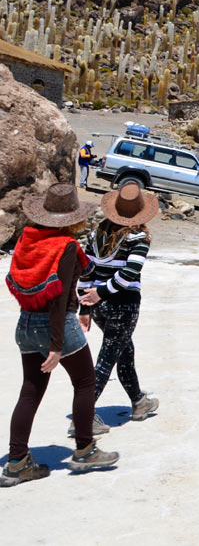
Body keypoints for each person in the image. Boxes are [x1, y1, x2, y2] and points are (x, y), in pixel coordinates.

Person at [2, 184, 119, 487]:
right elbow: (58, 300)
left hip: (25, 323)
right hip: (56, 326)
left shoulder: (27, 240)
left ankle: (16, 463)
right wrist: (56, 345)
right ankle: (84, 449)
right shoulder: (65, 246)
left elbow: (23, 281)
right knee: (85, 382)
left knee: (30, 392)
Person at [77, 182, 160, 426]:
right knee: (107, 357)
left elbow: (85, 271)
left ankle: (138, 401)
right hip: (123, 305)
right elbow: (131, 272)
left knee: (125, 350)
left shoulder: (96, 234)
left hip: (100, 307)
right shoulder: (139, 237)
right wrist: (103, 292)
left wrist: (86, 305)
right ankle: (84, 416)